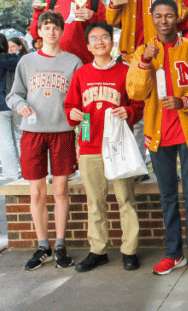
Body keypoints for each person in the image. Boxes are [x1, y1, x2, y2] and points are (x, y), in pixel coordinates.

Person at [126, 0, 188, 275]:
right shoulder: (143, 51)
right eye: (159, 16)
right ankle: (174, 253)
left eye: (169, 16)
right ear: (152, 18)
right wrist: (144, 62)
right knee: (167, 196)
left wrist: (184, 102)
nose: (164, 20)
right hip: (158, 135)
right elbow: (135, 93)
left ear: (177, 18)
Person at [64, 22, 144, 272]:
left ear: (112, 42)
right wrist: (73, 113)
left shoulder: (125, 71)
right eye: (95, 39)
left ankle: (129, 250)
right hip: (90, 146)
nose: (100, 42)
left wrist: (129, 110)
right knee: (95, 202)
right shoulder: (81, 73)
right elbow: (70, 106)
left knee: (126, 200)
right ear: (88, 46)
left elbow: (138, 104)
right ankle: (98, 250)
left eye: (105, 37)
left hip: (118, 146)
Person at [107, 0, 188, 180]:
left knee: (165, 103)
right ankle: (137, 165)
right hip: (132, 55)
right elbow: (112, 21)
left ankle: (180, 161)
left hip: (160, 53)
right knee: (135, 107)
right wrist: (112, 3)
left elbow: (182, 14)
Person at [7, 11, 83, 270]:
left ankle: (60, 244)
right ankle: (43, 246)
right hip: (33, 131)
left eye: (55, 27)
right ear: (39, 31)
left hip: (62, 131)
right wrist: (20, 104)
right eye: (46, 27)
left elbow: (81, 100)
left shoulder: (73, 62)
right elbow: (13, 94)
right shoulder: (26, 62)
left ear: (62, 32)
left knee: (60, 190)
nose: (51, 32)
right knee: (36, 191)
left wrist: (81, 128)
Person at [0, 34, 21, 180]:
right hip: (18, 102)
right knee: (21, 138)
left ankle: (11, 173)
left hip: (1, 104)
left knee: (5, 140)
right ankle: (27, 170)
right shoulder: (17, 59)